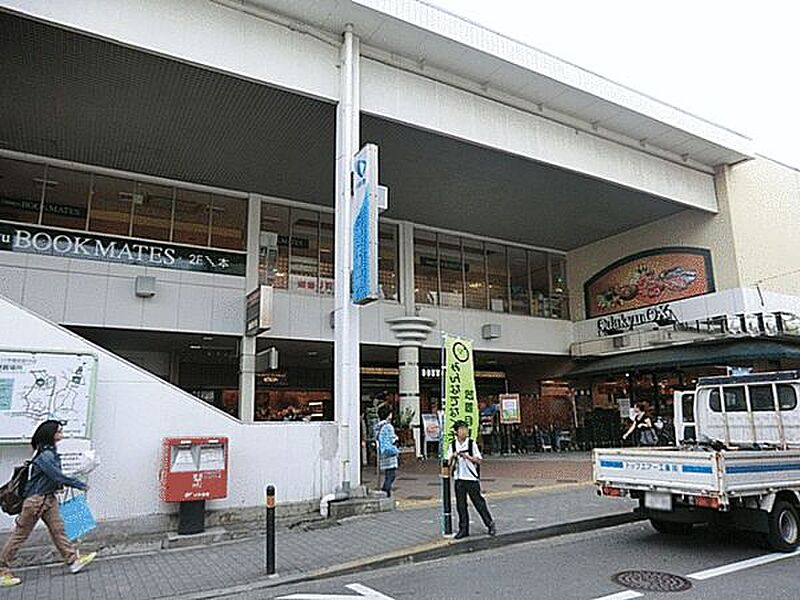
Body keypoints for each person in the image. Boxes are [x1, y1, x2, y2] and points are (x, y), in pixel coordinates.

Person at [0, 420, 96, 587]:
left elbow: (54, 477)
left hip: (48, 499)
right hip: (36, 501)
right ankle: (2, 569)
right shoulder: (46, 455)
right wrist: (79, 484)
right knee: (20, 536)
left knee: (58, 530)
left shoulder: (48, 452)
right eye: (59, 431)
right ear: (50, 434)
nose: (62, 434)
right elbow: (56, 475)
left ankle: (73, 560)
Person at [447, 420, 496, 539]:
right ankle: (463, 529)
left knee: (478, 503)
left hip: (471, 478)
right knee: (461, 505)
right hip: (459, 478)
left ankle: (490, 524)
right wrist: (453, 456)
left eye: (465, 429)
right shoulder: (453, 445)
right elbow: (448, 463)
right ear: (456, 432)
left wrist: (467, 457)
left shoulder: (471, 444)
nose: (464, 431)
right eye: (461, 429)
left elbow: (479, 460)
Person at [375, 405, 399, 497]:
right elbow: (392, 439)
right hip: (390, 453)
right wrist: (396, 439)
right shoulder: (388, 426)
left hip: (382, 453)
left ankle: (385, 491)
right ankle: (386, 492)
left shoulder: (378, 426)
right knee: (391, 475)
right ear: (388, 415)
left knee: (388, 474)